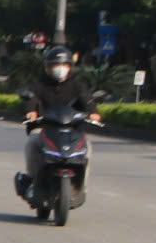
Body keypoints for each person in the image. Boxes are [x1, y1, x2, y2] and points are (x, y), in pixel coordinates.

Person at [16, 45, 103, 199]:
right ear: (48, 67)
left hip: (72, 130)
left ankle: (81, 185)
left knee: (87, 147)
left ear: (70, 67)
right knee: (32, 141)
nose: (60, 68)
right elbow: (31, 98)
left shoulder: (77, 85)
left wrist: (93, 113)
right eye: (55, 65)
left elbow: (87, 99)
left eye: (64, 65)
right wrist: (31, 112)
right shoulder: (40, 84)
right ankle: (33, 180)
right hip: (45, 128)